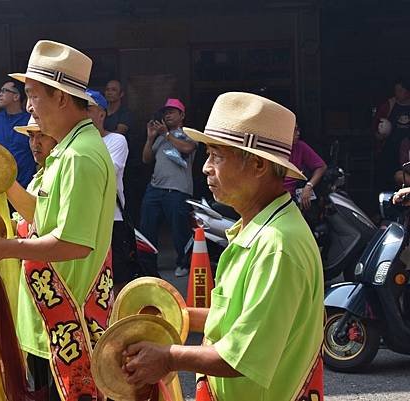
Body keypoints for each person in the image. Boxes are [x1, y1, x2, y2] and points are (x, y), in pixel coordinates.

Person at [121, 92, 324, 401]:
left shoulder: (276, 245)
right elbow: (232, 318)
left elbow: (239, 356)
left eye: (217, 156)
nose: (205, 168)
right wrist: (171, 315)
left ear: (257, 165)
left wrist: (167, 357)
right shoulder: (256, 230)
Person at [0, 40, 116, 401]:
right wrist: (2, 181)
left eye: (33, 96)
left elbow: (74, 244)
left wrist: (2, 248)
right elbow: (40, 215)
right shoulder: (66, 150)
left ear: (62, 98)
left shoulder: (79, 155)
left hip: (69, 319)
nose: (29, 107)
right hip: (50, 317)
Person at [86, 88, 137, 293]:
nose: (83, 114)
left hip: (111, 219)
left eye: (88, 108)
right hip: (85, 220)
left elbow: (103, 175)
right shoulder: (70, 143)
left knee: (118, 276)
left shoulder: (116, 140)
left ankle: (119, 321)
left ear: (102, 113)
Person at [140, 98, 196, 277]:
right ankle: (148, 266)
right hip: (155, 189)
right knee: (147, 228)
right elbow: (146, 159)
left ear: (182, 115)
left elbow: (187, 149)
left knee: (180, 229)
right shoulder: (160, 137)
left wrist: (166, 134)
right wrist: (150, 138)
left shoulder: (188, 134)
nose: (168, 115)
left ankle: (183, 263)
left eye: (172, 112)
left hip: (177, 190)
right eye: (166, 112)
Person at [0, 79, 36, 188]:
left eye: (4, 91)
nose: (0, 94)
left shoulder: (30, 121)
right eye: (0, 91)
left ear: (16, 96)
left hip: (26, 183)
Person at [374, 79, 410, 192]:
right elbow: (376, 124)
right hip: (390, 149)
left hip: (407, 151)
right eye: (396, 90)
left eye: (400, 90)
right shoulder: (389, 105)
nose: (397, 93)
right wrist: (379, 135)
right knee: (388, 176)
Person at [283, 124, 326, 210]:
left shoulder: (300, 146)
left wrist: (309, 186)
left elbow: (322, 166)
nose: (298, 133)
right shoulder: (273, 148)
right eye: (294, 130)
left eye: (298, 129)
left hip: (293, 197)